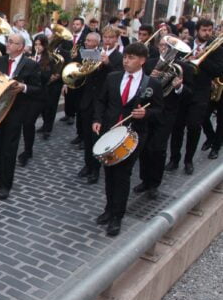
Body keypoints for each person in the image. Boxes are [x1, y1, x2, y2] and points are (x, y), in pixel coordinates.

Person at [93, 43, 163, 236]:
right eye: (125, 57)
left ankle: (117, 216)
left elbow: (159, 110)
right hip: (110, 132)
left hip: (133, 136)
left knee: (122, 175)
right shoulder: (112, 77)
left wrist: (146, 113)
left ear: (142, 60)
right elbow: (101, 101)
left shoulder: (151, 84)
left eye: (131, 58)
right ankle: (108, 209)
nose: (126, 60)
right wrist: (98, 119)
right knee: (108, 173)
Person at [0, 34, 42, 199]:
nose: (8, 44)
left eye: (12, 42)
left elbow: (38, 89)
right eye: (8, 41)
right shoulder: (1, 61)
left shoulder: (31, 64)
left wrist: (23, 87)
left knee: (9, 149)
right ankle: (0, 173)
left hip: (17, 111)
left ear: (20, 47)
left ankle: (6, 184)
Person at [136, 48, 193, 199]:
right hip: (148, 111)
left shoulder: (182, 67)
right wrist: (149, 78)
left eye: (168, 47)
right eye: (162, 45)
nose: (164, 49)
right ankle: (144, 180)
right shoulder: (149, 64)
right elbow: (139, 87)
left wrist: (179, 87)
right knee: (144, 147)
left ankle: (154, 184)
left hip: (166, 114)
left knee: (158, 149)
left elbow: (189, 93)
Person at [169, 19, 223, 173]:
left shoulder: (216, 49)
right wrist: (188, 61)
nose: (207, 33)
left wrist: (202, 59)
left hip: (200, 93)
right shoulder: (185, 46)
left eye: (210, 30)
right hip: (182, 90)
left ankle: (188, 160)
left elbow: (218, 70)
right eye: (204, 30)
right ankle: (174, 159)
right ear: (197, 31)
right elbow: (175, 63)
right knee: (177, 127)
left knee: (194, 127)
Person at [80, 28, 122, 185]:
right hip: (88, 100)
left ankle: (95, 170)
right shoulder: (95, 52)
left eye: (111, 37)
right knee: (86, 135)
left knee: (96, 136)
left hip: (104, 103)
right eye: (105, 37)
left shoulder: (119, 57)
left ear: (116, 39)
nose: (108, 40)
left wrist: (107, 64)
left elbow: (118, 77)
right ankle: (87, 165)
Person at [19, 36, 52, 165]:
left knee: (28, 123)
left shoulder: (49, 60)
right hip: (26, 94)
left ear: (45, 46)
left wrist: (35, 66)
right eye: (35, 44)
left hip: (39, 96)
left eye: (40, 45)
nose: (37, 47)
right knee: (24, 123)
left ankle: (27, 151)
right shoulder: (28, 57)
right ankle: (28, 149)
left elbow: (45, 78)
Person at [62, 17, 87, 126]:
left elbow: (87, 53)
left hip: (77, 67)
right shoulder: (68, 37)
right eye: (74, 24)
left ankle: (73, 115)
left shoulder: (85, 38)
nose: (75, 26)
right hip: (67, 65)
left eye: (78, 24)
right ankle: (67, 113)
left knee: (74, 92)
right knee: (67, 92)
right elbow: (63, 49)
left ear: (82, 26)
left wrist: (78, 56)